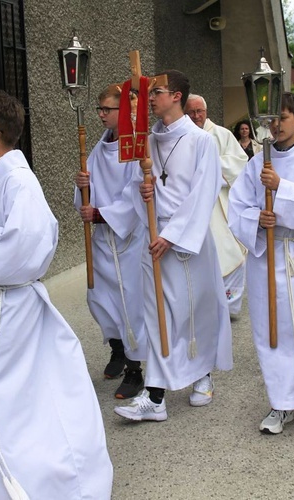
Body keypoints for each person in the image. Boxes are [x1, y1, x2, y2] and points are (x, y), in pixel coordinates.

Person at [0, 89, 113, 499]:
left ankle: (31, 488)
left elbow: (24, 249)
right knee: (5, 409)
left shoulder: (18, 183)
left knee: (6, 409)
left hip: (6, 313)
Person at [114, 70, 233, 422]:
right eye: (150, 93)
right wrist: (144, 192)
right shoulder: (146, 141)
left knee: (193, 312)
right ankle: (155, 397)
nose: (151, 99)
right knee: (157, 315)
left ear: (177, 96)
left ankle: (202, 373)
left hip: (185, 240)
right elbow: (138, 180)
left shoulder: (201, 141)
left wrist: (174, 234)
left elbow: (204, 192)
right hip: (155, 236)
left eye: (158, 92)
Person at [228, 92, 294, 434]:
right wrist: (258, 219)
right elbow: (237, 206)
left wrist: (281, 189)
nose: (276, 126)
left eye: (283, 119)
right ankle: (280, 403)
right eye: (271, 120)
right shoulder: (258, 162)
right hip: (265, 254)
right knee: (269, 332)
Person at [74, 85, 147, 399]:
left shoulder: (134, 149)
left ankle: (135, 369)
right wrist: (82, 186)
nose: (101, 115)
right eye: (99, 109)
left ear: (124, 112)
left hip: (127, 239)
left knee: (129, 303)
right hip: (103, 240)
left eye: (107, 109)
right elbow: (85, 193)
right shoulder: (97, 148)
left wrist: (101, 213)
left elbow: (135, 193)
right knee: (99, 298)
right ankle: (117, 348)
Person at [185, 94, 248, 317]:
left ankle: (229, 307)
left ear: (206, 111)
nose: (196, 116)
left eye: (199, 111)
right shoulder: (182, 136)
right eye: (191, 112)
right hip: (192, 206)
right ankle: (202, 306)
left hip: (218, 205)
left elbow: (240, 163)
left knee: (228, 252)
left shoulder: (221, 134)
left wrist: (209, 167)